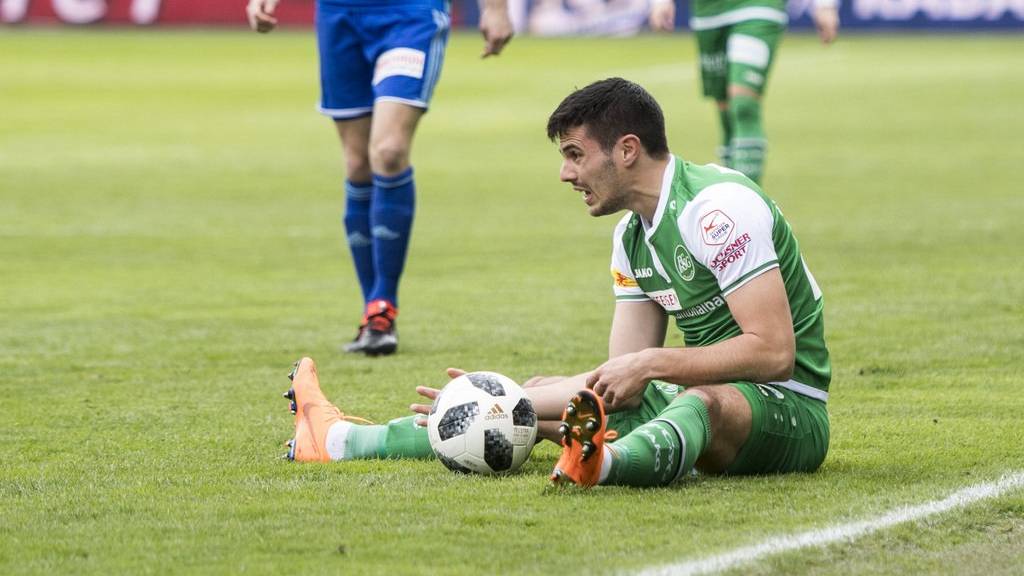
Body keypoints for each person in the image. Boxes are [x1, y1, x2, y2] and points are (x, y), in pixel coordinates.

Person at [280, 78, 831, 489]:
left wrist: (650, 365)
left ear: (627, 149)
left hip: (789, 408)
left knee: (703, 404)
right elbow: (620, 384)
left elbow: (774, 352)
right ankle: (339, 440)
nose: (566, 174)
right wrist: (491, 403)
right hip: (692, 389)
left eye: (575, 155)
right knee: (527, 398)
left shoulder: (717, 209)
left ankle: (602, 466)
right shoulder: (631, 238)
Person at [247, 0, 514, 356]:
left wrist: (495, 8)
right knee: (358, 164)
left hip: (410, 14)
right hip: (339, 15)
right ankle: (373, 313)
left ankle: (383, 305)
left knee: (388, 151)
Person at [648, 0, 840, 184]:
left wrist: (825, 5)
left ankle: (748, 201)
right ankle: (733, 197)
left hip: (758, 8)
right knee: (726, 112)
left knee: (743, 106)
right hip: (708, 13)